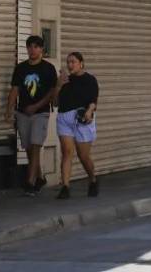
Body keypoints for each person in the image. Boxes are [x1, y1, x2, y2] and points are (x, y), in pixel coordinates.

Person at [5, 36, 57, 196]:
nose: (32, 50)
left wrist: (36, 106)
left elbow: (52, 92)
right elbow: (15, 89)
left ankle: (30, 182)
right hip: (23, 112)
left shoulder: (48, 68)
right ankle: (40, 177)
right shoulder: (21, 68)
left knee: (36, 144)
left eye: (36, 47)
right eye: (30, 47)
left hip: (40, 113)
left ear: (42, 49)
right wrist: (9, 110)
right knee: (28, 147)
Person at [54, 52, 99, 199]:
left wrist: (89, 111)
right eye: (68, 62)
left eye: (73, 62)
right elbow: (55, 103)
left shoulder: (89, 79)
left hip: (82, 118)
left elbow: (93, 100)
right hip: (64, 118)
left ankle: (93, 179)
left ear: (81, 63)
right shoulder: (64, 80)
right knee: (67, 152)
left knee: (83, 155)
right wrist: (58, 86)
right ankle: (65, 187)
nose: (70, 65)